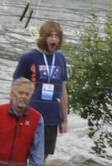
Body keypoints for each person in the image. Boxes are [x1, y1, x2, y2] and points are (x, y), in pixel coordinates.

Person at [12, 19, 70, 158]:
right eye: (51, 35)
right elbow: (15, 86)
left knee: (43, 155)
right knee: (24, 151)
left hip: (51, 117)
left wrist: (64, 119)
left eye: (57, 36)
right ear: (43, 37)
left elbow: (63, 90)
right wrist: (13, 112)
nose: (54, 39)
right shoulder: (28, 58)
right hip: (30, 113)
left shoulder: (61, 59)